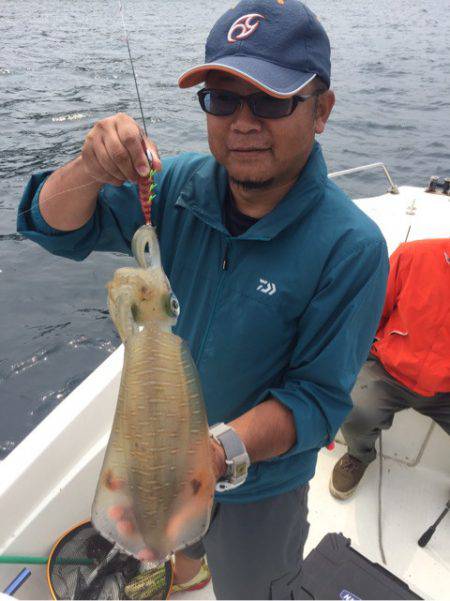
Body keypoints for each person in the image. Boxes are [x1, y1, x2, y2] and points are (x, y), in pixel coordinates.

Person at [18, 0, 389, 598]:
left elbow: (316, 400)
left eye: (270, 100)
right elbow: (54, 226)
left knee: (255, 588)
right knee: (179, 545)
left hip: (259, 483)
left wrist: (212, 456)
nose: (243, 122)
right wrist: (88, 168)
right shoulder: (174, 187)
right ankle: (189, 563)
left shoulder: (350, 246)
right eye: (223, 97)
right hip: (161, 440)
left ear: (321, 110)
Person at [330, 238, 450, 501]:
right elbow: (370, 315)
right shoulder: (413, 255)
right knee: (351, 406)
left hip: (445, 389)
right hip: (388, 372)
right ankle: (358, 455)